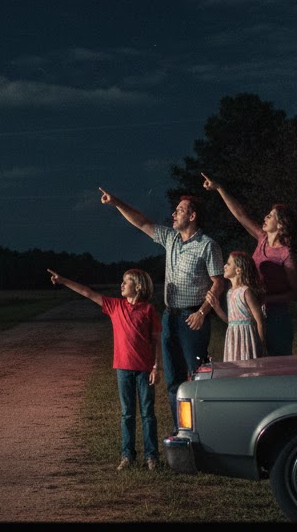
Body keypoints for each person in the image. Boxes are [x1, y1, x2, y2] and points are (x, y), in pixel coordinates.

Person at [99, 187, 225, 429]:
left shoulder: (208, 246)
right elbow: (142, 223)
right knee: (173, 380)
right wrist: (116, 203)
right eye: (175, 211)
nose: (174, 215)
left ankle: (203, 430)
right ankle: (180, 431)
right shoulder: (171, 238)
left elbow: (218, 282)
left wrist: (203, 312)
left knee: (197, 376)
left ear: (193, 216)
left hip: (193, 318)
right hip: (170, 317)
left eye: (180, 211)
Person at [47, 266, 162, 471]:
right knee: (127, 413)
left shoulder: (148, 310)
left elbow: (156, 342)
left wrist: (156, 367)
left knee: (147, 414)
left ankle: (151, 456)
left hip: (144, 369)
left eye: (126, 281)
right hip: (123, 368)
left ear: (137, 286)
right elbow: (87, 292)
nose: (122, 285)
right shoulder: (115, 306)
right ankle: (127, 456)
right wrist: (64, 281)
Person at [200, 174, 297, 356]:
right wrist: (219, 189)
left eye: (270, 216)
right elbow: (240, 214)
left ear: (281, 225)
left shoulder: (287, 254)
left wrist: (266, 299)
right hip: (253, 313)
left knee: (277, 367)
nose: (265, 217)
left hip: (276, 317)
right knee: (256, 363)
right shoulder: (262, 239)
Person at [205, 250, 266, 361]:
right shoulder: (230, 292)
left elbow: (259, 321)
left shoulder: (246, 292)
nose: (224, 266)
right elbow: (231, 321)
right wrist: (216, 306)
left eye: (228, 264)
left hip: (247, 338)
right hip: (233, 338)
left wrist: (261, 345)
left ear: (238, 270)